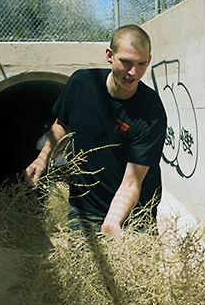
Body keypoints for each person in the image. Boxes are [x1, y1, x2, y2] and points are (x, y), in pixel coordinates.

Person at [24, 25, 167, 235]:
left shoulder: (151, 111)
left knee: (141, 266)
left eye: (141, 64)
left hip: (136, 214)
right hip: (85, 206)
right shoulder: (80, 84)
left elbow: (132, 182)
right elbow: (62, 124)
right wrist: (42, 158)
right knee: (83, 266)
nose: (133, 72)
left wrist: (113, 219)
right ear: (110, 55)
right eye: (126, 62)